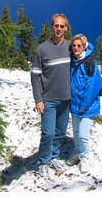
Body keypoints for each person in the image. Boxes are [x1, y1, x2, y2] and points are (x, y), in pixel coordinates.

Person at [31, 13, 71, 177]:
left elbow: (85, 52)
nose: (59, 29)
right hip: (48, 100)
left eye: (62, 26)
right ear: (52, 26)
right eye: (56, 25)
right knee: (48, 133)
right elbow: (35, 75)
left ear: (66, 28)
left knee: (60, 132)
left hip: (66, 99)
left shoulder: (70, 47)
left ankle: (54, 156)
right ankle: (43, 161)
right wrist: (38, 99)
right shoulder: (42, 49)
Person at [66, 34, 102, 173]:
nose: (76, 48)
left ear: (84, 47)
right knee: (76, 133)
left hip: (87, 107)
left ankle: (85, 157)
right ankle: (78, 152)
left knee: (83, 135)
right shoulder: (73, 62)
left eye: (79, 46)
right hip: (75, 105)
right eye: (74, 45)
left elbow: (93, 86)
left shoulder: (89, 62)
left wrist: (84, 106)